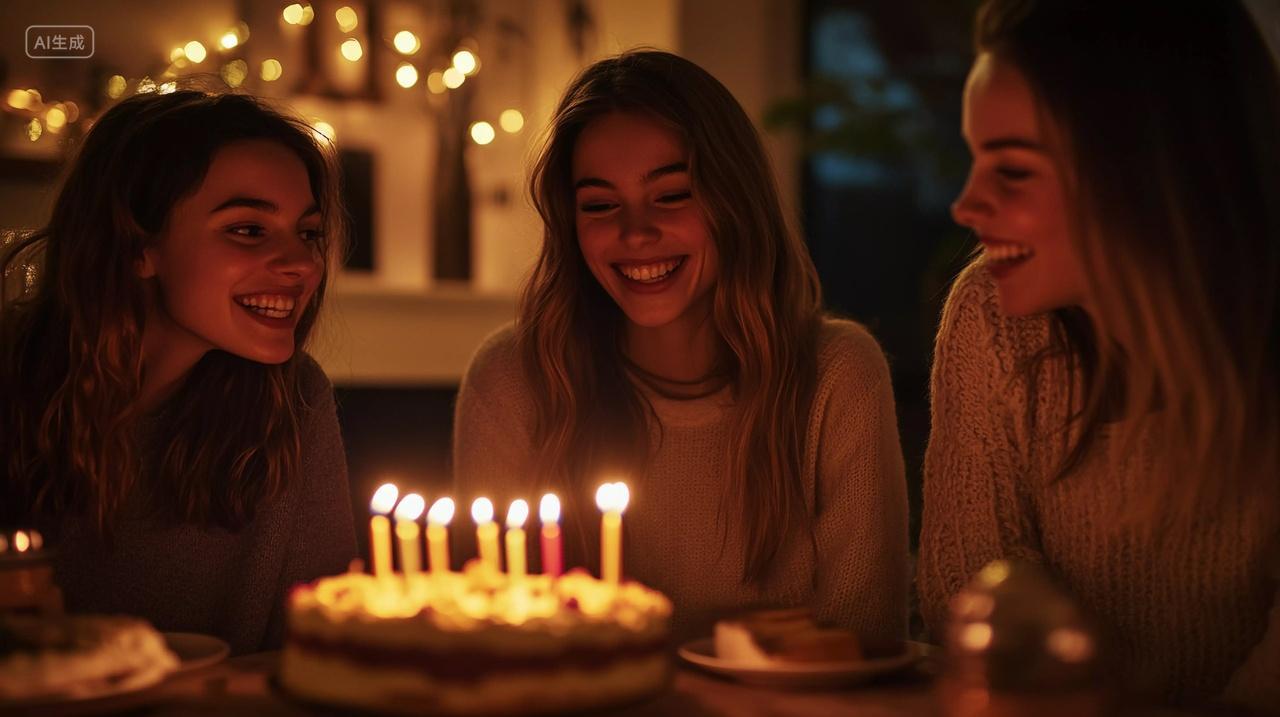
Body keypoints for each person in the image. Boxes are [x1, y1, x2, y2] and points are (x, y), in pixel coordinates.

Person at [453, 50, 908, 644]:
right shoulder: (516, 378)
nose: (635, 232)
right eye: (599, 204)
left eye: (672, 195)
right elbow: (491, 640)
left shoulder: (836, 375)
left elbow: (864, 640)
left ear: (735, 202)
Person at [917, 0, 1280, 709]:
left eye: (1013, 171)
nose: (966, 204)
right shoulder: (994, 317)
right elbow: (971, 598)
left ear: (1149, 172)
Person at [0, 90, 357, 654]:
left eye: (308, 233)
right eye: (248, 229)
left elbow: (325, 652)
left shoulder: (295, 399)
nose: (302, 264)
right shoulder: (14, 385)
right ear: (138, 245)